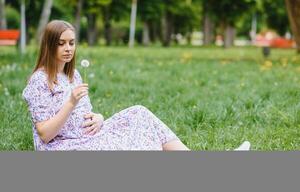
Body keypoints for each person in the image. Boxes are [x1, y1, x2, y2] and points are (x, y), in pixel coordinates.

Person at [22, 20, 250, 151]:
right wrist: (71, 102)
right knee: (128, 142)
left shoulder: (74, 75)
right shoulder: (39, 81)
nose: (68, 48)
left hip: (87, 135)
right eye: (61, 44)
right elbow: (45, 134)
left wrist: (99, 118)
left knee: (139, 114)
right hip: (65, 147)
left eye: (72, 43)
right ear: (49, 46)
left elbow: (86, 114)